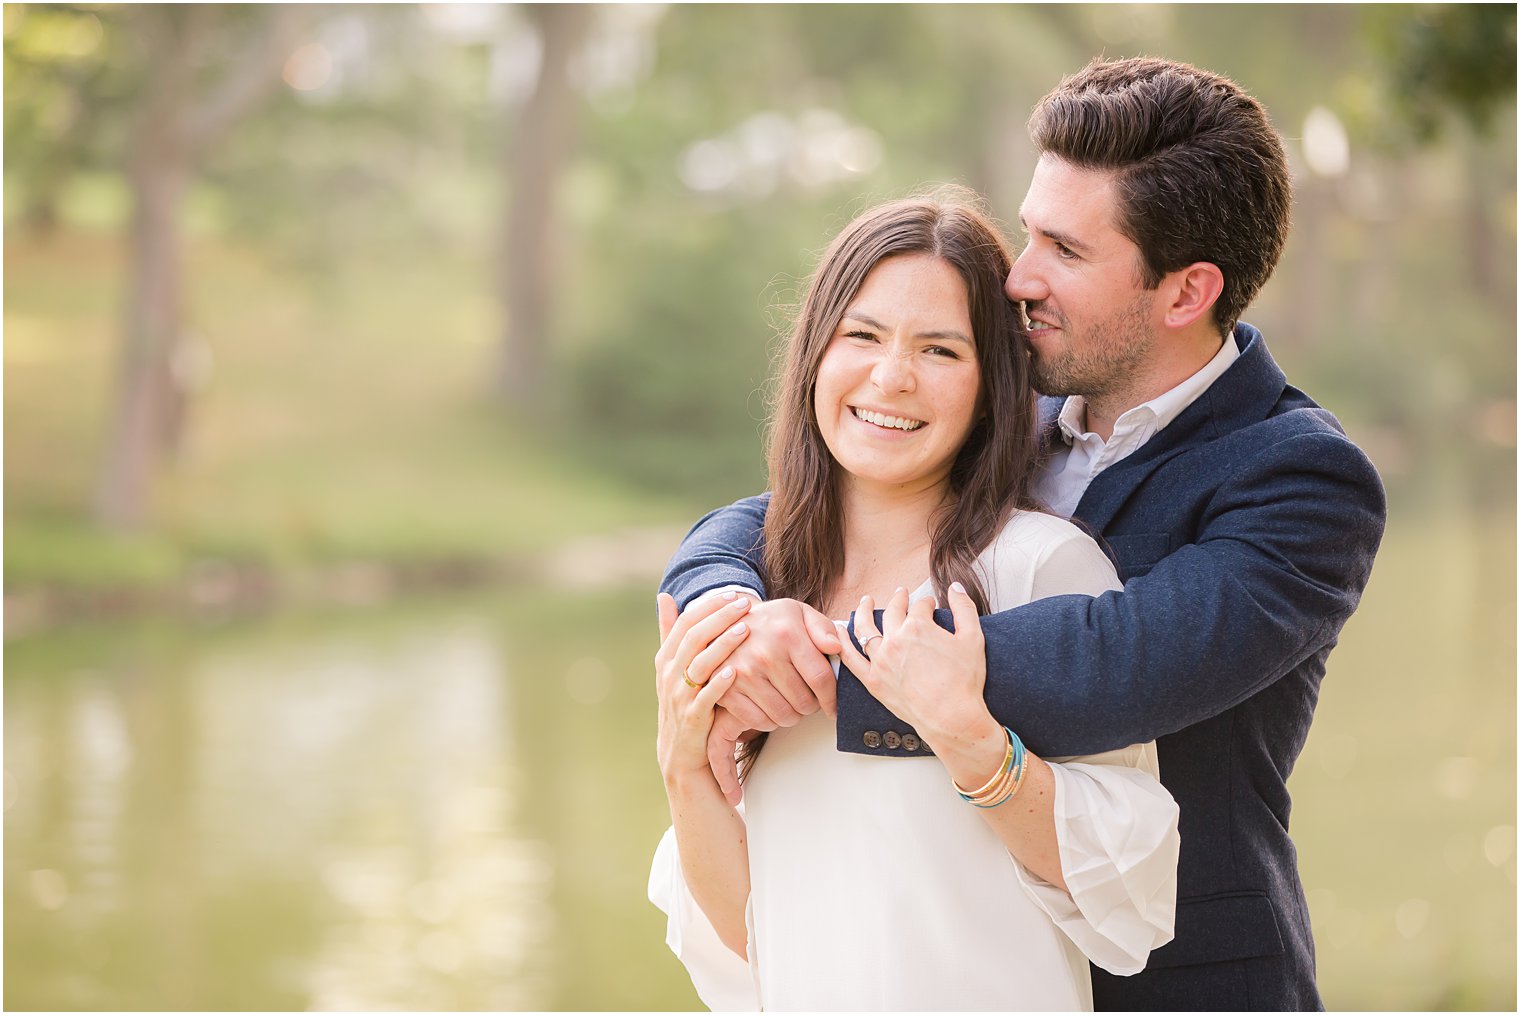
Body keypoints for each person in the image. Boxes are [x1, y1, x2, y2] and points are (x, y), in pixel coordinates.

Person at [660, 57, 1387, 1011]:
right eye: (1031, 228)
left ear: (1185, 291)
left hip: (1179, 979)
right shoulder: (1010, 422)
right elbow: (785, 512)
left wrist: (805, 669)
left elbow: (1115, 662)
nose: (1020, 274)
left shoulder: (1300, 479)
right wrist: (725, 605)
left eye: (1067, 251)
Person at [648, 195, 1180, 1011]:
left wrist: (972, 743)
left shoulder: (1038, 569)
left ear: (990, 387)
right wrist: (685, 762)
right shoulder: (763, 598)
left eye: (940, 349)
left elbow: (1132, 892)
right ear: (815, 354)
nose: (891, 377)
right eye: (861, 335)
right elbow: (749, 942)